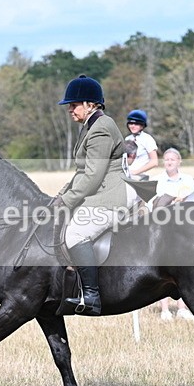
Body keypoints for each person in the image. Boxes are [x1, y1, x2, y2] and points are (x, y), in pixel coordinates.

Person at [52, 75, 134, 316]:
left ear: (90, 104)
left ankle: (91, 296)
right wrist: (61, 195)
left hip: (110, 195)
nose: (69, 109)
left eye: (74, 104)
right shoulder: (91, 127)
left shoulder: (101, 128)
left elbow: (93, 176)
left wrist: (67, 201)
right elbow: (83, 172)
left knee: (76, 233)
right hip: (100, 192)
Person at [152, 148, 194, 320]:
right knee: (164, 268)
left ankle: (182, 307)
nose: (169, 162)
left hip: (185, 230)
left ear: (179, 161)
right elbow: (153, 205)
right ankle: (164, 309)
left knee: (184, 268)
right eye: (166, 159)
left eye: (173, 159)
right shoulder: (157, 181)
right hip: (164, 229)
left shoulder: (188, 180)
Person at [123, 109, 158, 181]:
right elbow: (128, 161)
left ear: (142, 126)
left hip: (141, 176)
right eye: (131, 123)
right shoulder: (127, 139)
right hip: (128, 175)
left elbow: (154, 162)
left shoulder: (147, 139)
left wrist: (136, 172)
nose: (133, 126)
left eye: (136, 124)